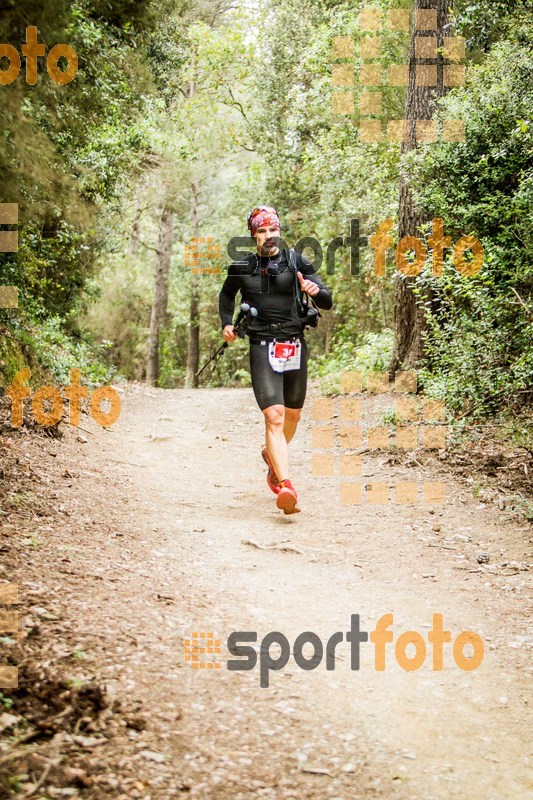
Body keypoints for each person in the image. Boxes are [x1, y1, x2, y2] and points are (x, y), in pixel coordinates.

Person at [219, 205, 333, 514]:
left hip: (294, 343)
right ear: (253, 235)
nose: (269, 236)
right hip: (261, 344)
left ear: (279, 231)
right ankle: (286, 486)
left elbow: (327, 299)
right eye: (262, 231)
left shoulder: (297, 261)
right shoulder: (242, 267)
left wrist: (314, 289)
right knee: (275, 416)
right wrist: (227, 324)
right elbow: (227, 295)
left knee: (293, 417)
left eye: (273, 230)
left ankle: (272, 457)